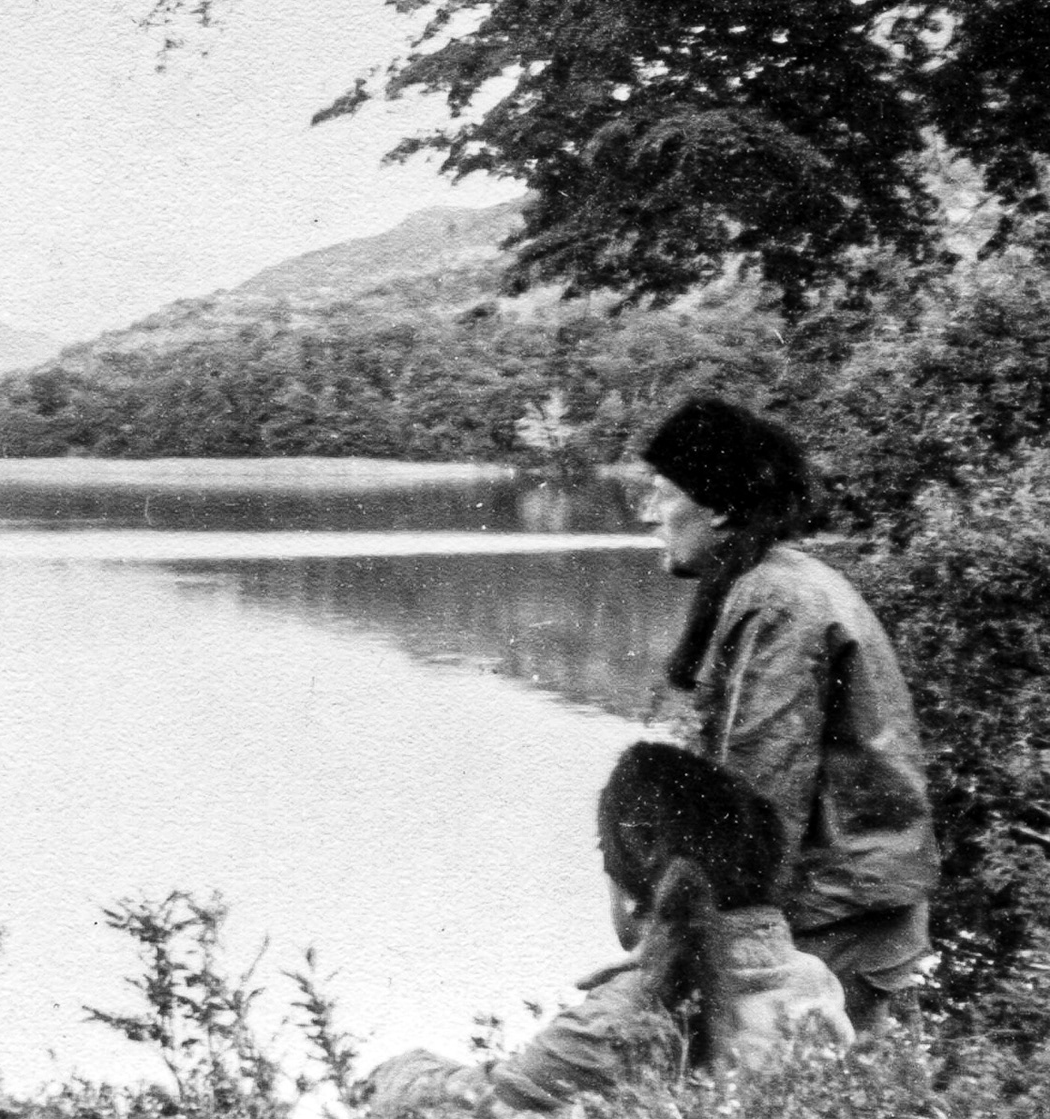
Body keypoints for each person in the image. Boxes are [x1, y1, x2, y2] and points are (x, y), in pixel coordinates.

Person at [636, 395, 939, 1031]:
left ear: (718, 508)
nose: (648, 515)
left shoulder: (776, 601)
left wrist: (699, 940)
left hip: (834, 920)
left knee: (805, 1078)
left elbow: (760, 795)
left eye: (661, 494)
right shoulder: (774, 582)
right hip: (850, 908)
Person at [366, 743, 852, 1117]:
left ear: (633, 891)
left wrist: (394, 1074)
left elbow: (477, 1105)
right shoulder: (813, 980)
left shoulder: (624, 1014)